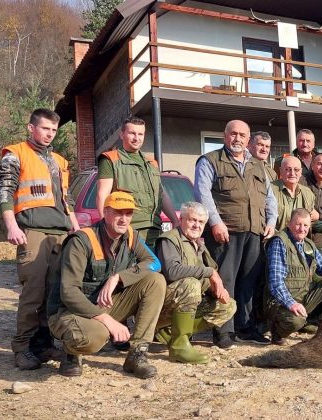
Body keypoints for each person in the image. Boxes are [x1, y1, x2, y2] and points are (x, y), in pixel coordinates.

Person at [47, 192, 164, 378]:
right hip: (70, 311)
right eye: (118, 213)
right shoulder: (82, 241)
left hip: (104, 305)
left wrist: (119, 277)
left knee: (156, 281)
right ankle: (71, 353)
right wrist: (107, 320)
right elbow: (68, 292)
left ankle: (137, 354)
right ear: (106, 212)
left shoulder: (131, 236)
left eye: (128, 214)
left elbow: (155, 263)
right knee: (95, 337)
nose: (124, 219)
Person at [0, 108, 80, 370]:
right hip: (31, 231)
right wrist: (12, 227)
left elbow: (66, 200)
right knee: (33, 292)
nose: (50, 134)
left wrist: (75, 229)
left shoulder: (59, 161)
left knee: (54, 292)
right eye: (45, 128)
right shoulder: (15, 154)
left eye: (54, 130)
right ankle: (22, 348)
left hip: (59, 233)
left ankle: (43, 345)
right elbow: (4, 193)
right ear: (31, 127)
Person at [194, 120, 276, 347]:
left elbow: (269, 197)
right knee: (225, 280)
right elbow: (202, 194)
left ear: (248, 140)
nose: (237, 138)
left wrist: (271, 221)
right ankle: (223, 331)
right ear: (225, 135)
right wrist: (215, 222)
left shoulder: (258, 166)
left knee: (249, 281)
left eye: (242, 135)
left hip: (254, 231)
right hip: (225, 231)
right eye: (233, 134)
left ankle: (246, 328)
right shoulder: (210, 161)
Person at [154, 201, 237, 364]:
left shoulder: (199, 245)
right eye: (192, 220)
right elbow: (172, 271)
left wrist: (216, 290)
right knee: (191, 284)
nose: (196, 225)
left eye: (201, 222)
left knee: (228, 306)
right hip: (163, 304)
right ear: (181, 218)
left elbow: (207, 278)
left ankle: (171, 333)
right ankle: (178, 346)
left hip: (187, 301)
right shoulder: (170, 239)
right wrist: (210, 272)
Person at [95, 116, 179, 247]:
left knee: (155, 267)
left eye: (141, 134)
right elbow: (102, 195)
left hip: (155, 229)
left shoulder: (152, 163)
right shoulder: (110, 159)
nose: (137, 138)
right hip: (129, 230)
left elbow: (161, 194)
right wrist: (105, 227)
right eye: (132, 133)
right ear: (121, 134)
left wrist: (175, 219)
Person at [265, 209, 322, 344]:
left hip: (302, 298)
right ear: (289, 224)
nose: (302, 229)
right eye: (298, 224)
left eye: (305, 225)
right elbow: (275, 283)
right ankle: (276, 330)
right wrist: (291, 304)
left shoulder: (308, 244)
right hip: (280, 303)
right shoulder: (279, 242)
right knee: (296, 321)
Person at [271, 156, 317, 232]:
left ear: (301, 172)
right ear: (281, 171)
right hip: (276, 239)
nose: (292, 173)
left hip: (300, 240)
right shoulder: (270, 190)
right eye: (288, 169)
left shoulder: (308, 193)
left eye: (296, 170)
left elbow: (311, 218)